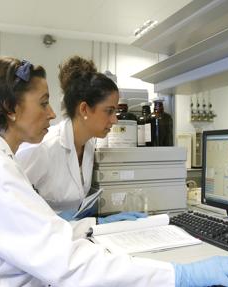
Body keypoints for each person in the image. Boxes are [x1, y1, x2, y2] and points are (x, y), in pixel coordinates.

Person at [0, 56, 228, 286]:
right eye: (43, 102)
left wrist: (96, 226)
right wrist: (179, 276)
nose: (51, 113)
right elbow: (65, 261)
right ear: (10, 109)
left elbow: (46, 232)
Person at [16, 56, 141, 225]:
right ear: (84, 109)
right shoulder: (41, 148)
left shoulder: (89, 144)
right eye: (109, 111)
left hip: (71, 235)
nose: (115, 120)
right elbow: (14, 212)